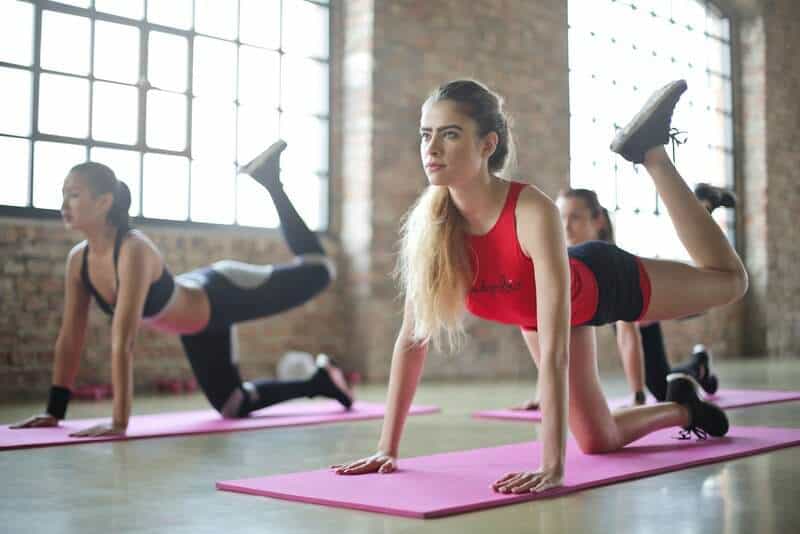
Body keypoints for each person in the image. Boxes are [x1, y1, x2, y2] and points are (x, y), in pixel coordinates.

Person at [332, 79, 747, 494]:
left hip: (602, 284)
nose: (432, 147)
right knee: (598, 439)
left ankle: (652, 154)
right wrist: (387, 449)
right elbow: (412, 339)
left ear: (486, 144)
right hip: (538, 316)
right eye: (426, 134)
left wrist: (552, 465)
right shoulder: (432, 227)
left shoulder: (531, 210)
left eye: (450, 134)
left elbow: (555, 350)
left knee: (730, 282)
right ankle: (684, 408)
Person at [10, 140, 352, 437]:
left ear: (103, 202)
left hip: (222, 294)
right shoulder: (78, 260)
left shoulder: (133, 249)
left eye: (73, 195)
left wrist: (119, 421)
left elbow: (124, 339)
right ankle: (320, 382)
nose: (64, 205)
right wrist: (55, 411)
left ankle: (271, 181)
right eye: (63, 195)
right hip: (197, 325)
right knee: (233, 404)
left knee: (320, 271)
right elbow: (71, 336)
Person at [514, 183, 735, 409]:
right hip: (644, 308)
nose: (566, 227)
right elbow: (550, 338)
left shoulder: (606, 264)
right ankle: (699, 364)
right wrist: (543, 395)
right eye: (562, 218)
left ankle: (702, 207)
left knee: (660, 388)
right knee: (662, 383)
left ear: (598, 220)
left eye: (575, 218)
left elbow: (628, 336)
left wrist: (638, 397)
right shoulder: (567, 262)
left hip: (660, 302)